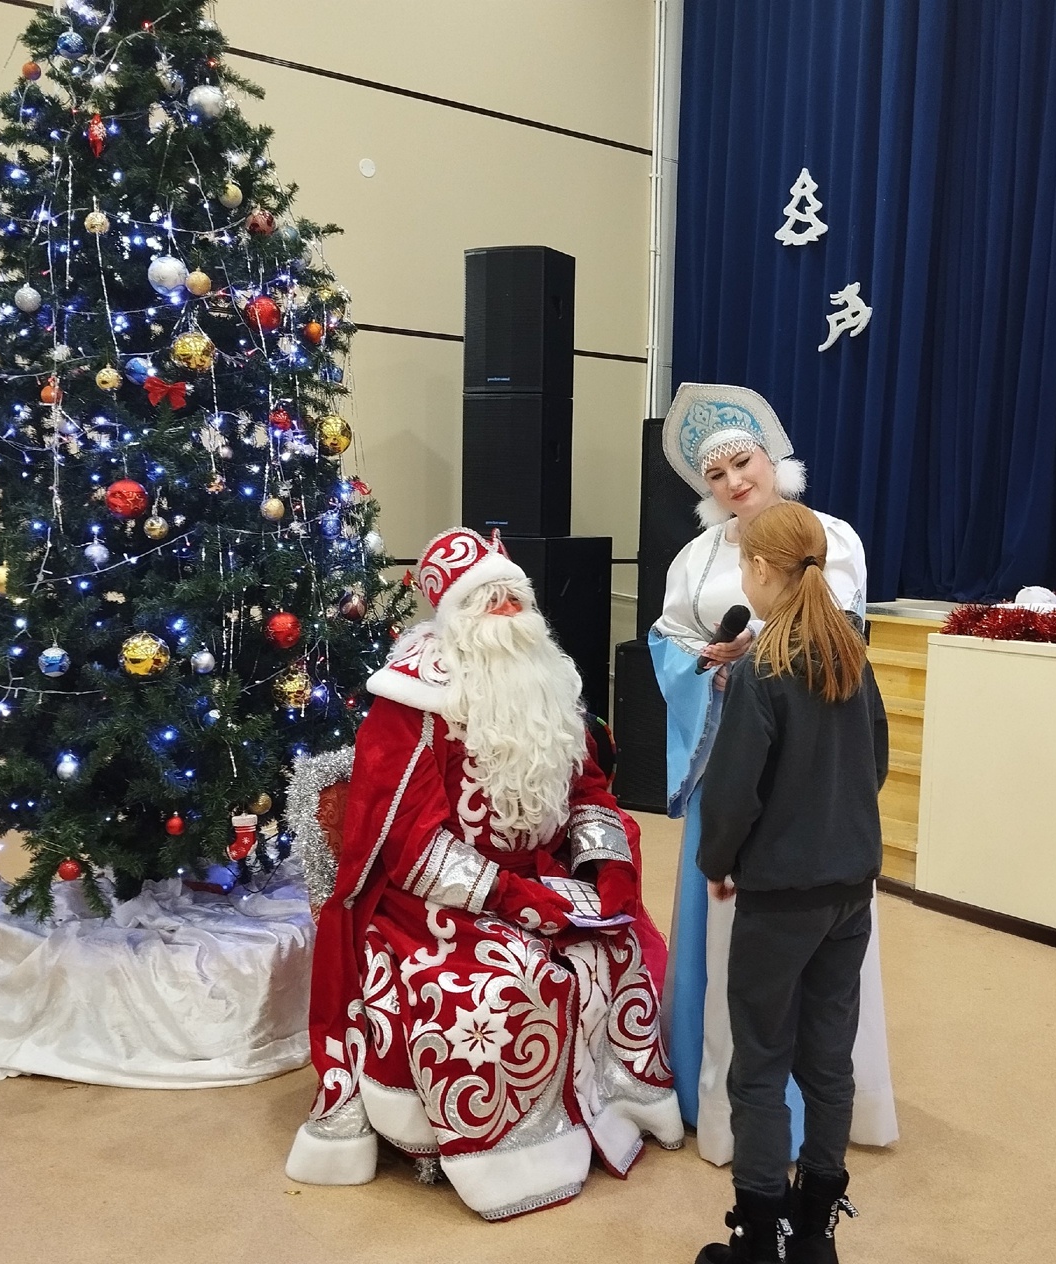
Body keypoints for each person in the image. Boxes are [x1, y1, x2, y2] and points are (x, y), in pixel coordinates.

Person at [286, 527, 684, 1221]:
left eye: (513, 596)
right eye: (485, 600)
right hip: (431, 901)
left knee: (615, 944)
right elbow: (407, 844)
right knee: (506, 985)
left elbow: (588, 787)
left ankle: (614, 1105)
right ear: (454, 619)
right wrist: (509, 896)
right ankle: (509, 1156)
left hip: (538, 874)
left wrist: (607, 865)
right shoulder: (412, 705)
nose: (506, 611)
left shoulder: (549, 683)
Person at [648, 383, 896, 1165]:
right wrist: (708, 666)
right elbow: (668, 643)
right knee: (747, 960)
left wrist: (758, 658)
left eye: (743, 463)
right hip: (730, 768)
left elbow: (841, 639)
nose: (733, 482)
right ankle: (731, 1107)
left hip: (806, 781)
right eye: (716, 475)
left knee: (795, 972)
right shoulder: (695, 557)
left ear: (772, 460)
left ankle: (776, 1134)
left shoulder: (830, 538)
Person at [694, 501, 887, 1263]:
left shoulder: (763, 670)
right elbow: (874, 765)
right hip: (850, 891)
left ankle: (758, 1237)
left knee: (761, 1063)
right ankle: (815, 1233)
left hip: (780, 896)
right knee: (829, 1058)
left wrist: (719, 862)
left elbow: (733, 793)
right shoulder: (852, 654)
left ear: (761, 570)